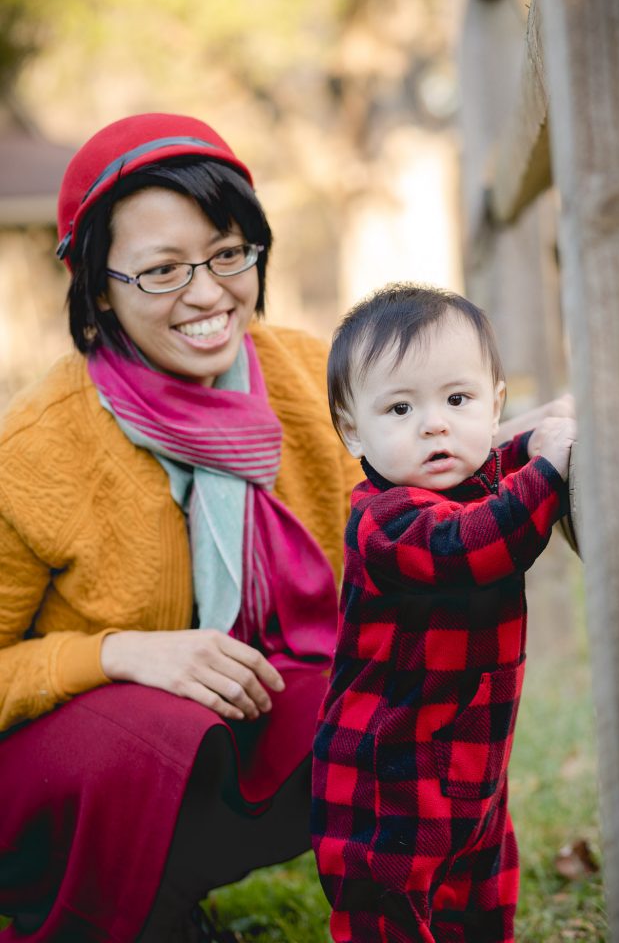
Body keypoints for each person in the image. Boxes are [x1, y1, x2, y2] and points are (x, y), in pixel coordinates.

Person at [0, 112, 361, 942]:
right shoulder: (40, 448)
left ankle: (165, 904)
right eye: (161, 271)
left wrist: (536, 443)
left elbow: (419, 466)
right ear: (97, 286)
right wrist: (117, 653)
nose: (207, 294)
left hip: (200, 758)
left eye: (227, 253)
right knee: (167, 722)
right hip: (49, 783)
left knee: (348, 696)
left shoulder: (307, 377)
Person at [311, 284, 577, 943]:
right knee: (390, 905)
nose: (434, 424)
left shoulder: (468, 479)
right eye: (399, 408)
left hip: (471, 764)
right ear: (352, 432)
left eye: (456, 400)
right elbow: (472, 544)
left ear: (494, 404)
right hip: (385, 780)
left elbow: (498, 470)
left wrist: (552, 432)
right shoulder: (386, 521)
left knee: (480, 894)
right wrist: (549, 464)